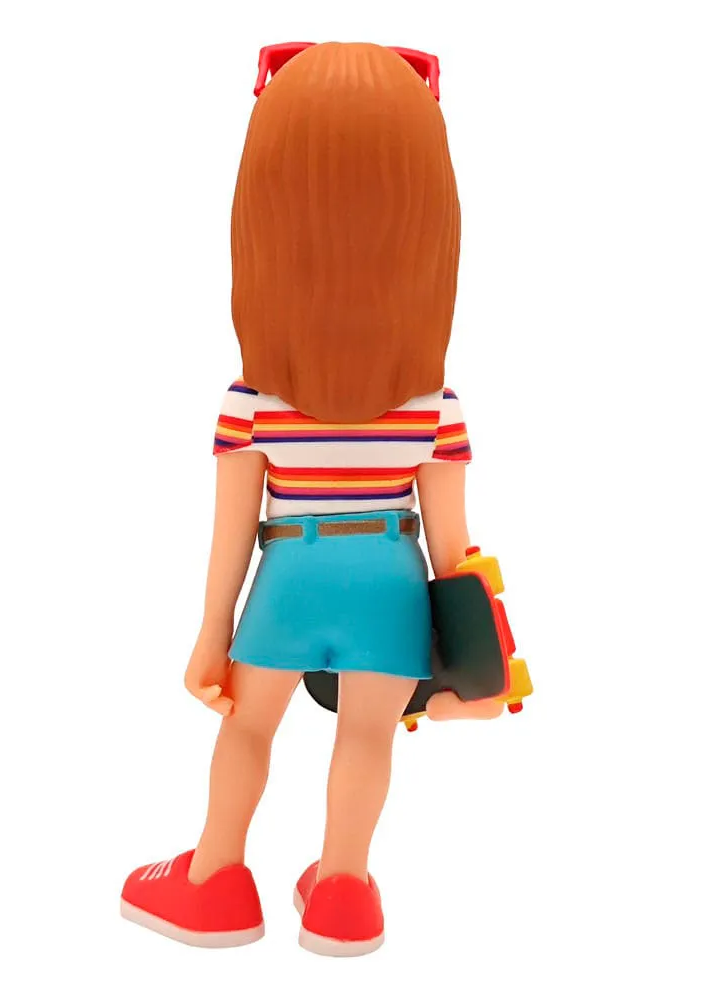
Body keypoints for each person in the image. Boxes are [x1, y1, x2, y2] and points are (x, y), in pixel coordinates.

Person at [121, 41, 500, 958]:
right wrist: (483, 658)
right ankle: (343, 892)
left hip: (289, 573)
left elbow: (231, 537)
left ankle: (214, 880)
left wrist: (211, 633)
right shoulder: (435, 410)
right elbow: (454, 549)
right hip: (390, 579)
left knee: (249, 725)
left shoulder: (252, 405)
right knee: (369, 733)